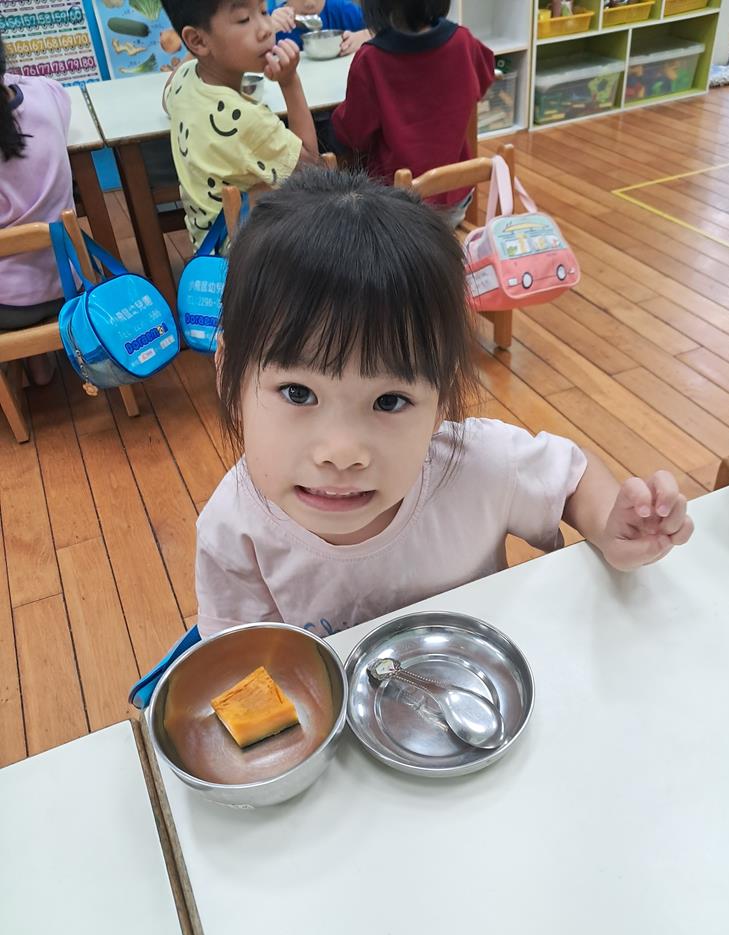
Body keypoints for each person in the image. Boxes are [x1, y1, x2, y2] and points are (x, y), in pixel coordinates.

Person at [195, 167, 694, 638]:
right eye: (298, 393)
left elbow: (570, 480)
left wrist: (613, 525)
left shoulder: (479, 466)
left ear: (439, 402)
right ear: (228, 375)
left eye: (390, 400)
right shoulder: (234, 528)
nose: (342, 453)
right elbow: (243, 658)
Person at [161, 0, 319, 250]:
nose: (266, 29)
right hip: (259, 258)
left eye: (264, 12)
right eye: (244, 19)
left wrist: (202, 50)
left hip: (208, 252)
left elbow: (166, 93)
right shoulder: (247, 120)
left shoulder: (184, 79)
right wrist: (290, 82)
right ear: (197, 40)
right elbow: (312, 169)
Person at [330, 0, 495, 224]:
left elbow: (353, 134)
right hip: (456, 198)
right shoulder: (463, 40)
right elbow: (485, 76)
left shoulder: (370, 59)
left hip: (397, 210)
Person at [0, 31, 73, 385]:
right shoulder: (46, 94)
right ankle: (40, 362)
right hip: (70, 281)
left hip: (7, 305)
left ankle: (34, 365)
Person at [269, 0, 371, 55]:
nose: (310, 3)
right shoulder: (270, 20)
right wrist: (267, 32)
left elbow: (380, 29)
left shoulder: (343, 10)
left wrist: (367, 34)